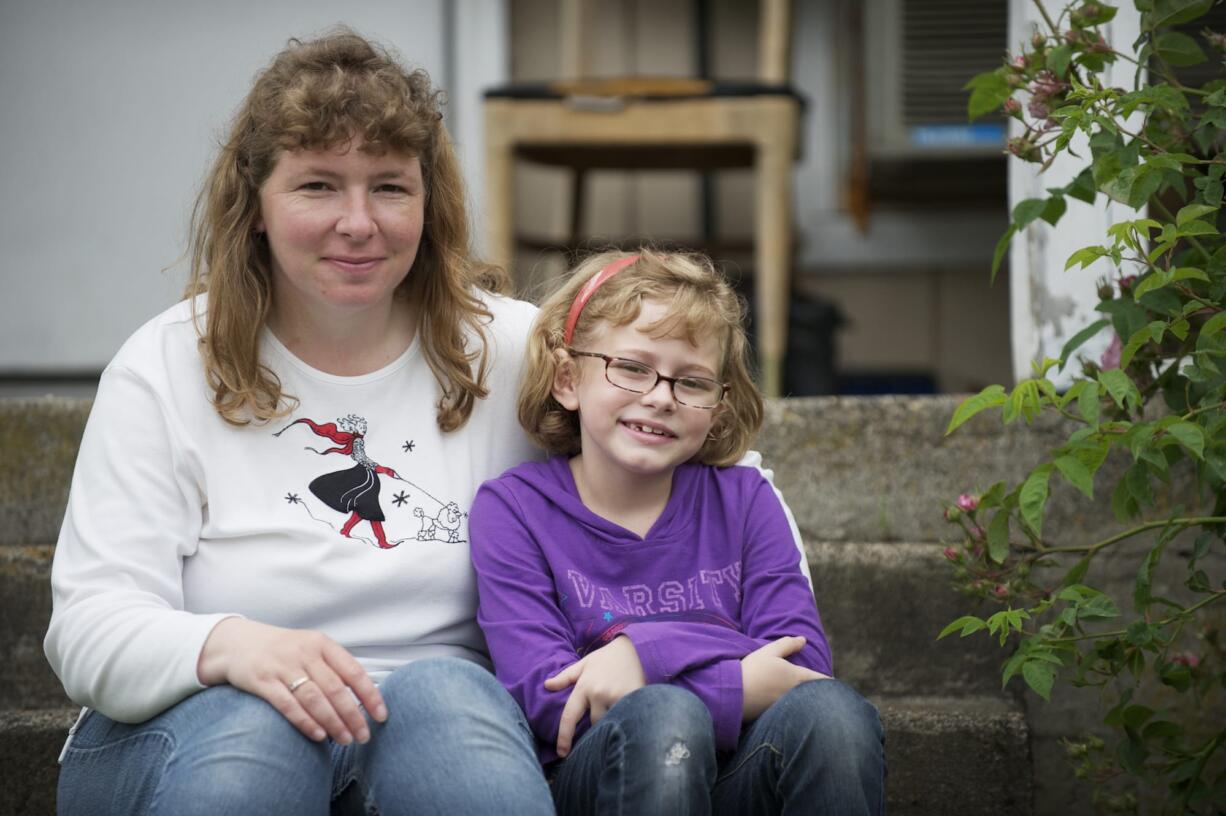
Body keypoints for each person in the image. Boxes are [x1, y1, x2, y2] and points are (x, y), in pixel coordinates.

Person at [44, 31, 555, 815]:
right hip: (205, 728)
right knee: (262, 733)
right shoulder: (166, 365)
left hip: (435, 726)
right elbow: (88, 629)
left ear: (430, 201)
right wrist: (232, 645)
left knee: (452, 699)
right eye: (317, 186)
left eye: (389, 187)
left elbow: (712, 467)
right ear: (254, 206)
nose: (358, 222)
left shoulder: (511, 349)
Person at [469, 250, 886, 815]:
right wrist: (736, 677)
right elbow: (553, 701)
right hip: (608, 777)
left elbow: (801, 668)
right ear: (569, 378)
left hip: (741, 772)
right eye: (633, 368)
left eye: (692, 382)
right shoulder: (515, 509)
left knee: (833, 715)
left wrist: (642, 655)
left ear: (717, 407)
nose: (661, 396)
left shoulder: (743, 499)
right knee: (666, 717)